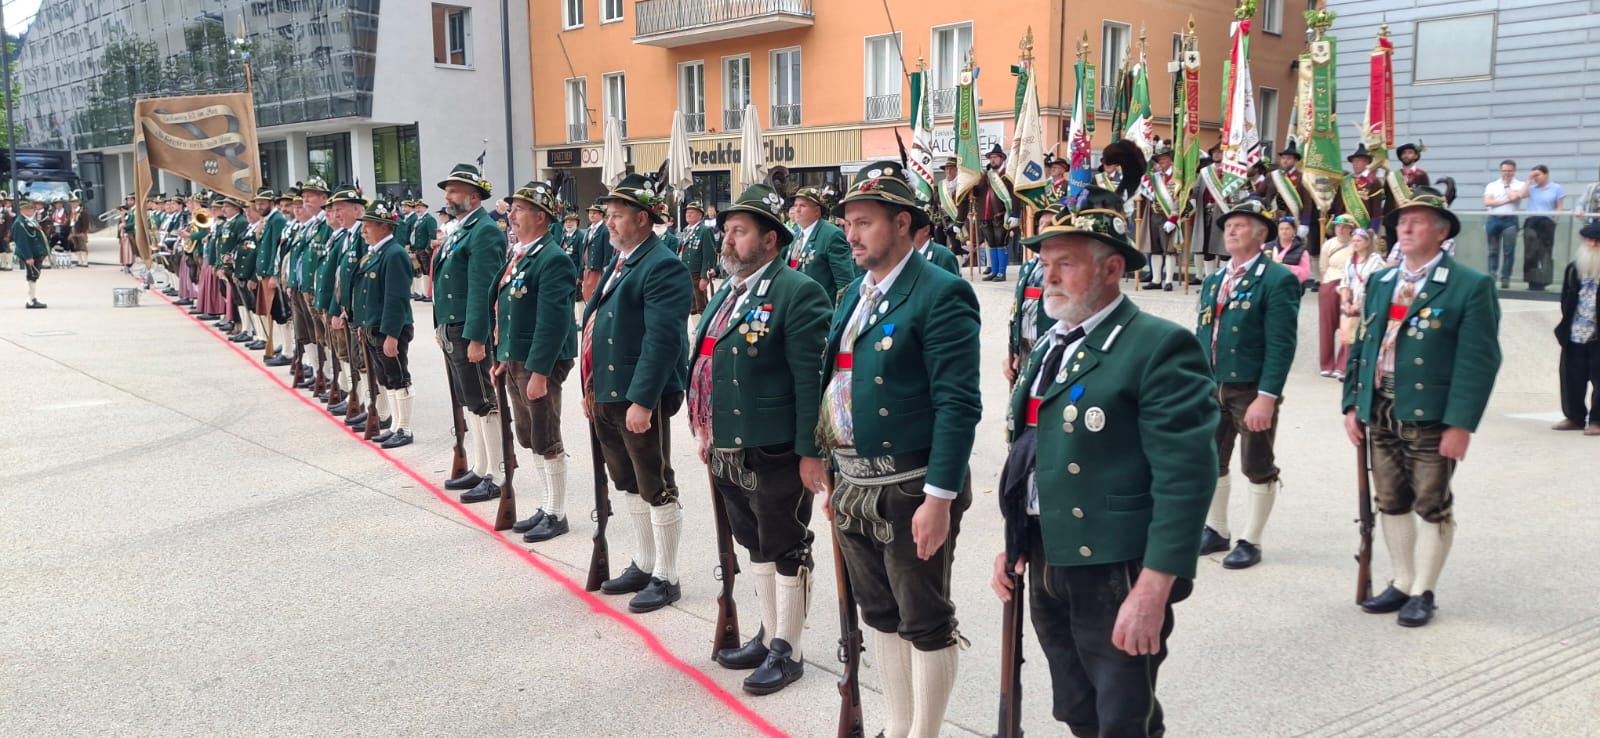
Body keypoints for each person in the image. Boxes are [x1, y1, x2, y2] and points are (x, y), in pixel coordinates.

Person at [993, 186, 1216, 737]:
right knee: (1076, 706)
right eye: (1045, 263)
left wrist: (1154, 587)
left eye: (1065, 264)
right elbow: (1031, 455)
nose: (1048, 277)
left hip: (1115, 564)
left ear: (1112, 268)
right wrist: (1014, 541)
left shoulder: (1157, 346)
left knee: (1122, 716)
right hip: (1048, 553)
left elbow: (1186, 478)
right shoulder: (1052, 344)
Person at [821, 161, 981, 738]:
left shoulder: (940, 292)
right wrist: (831, 468)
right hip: (854, 483)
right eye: (847, 224)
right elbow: (837, 382)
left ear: (902, 223)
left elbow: (958, 404)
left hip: (911, 485)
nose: (851, 235)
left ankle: (925, 733)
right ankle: (896, 724)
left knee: (924, 619)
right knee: (880, 614)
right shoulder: (852, 294)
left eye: (863, 222)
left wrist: (939, 498)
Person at [691, 183, 831, 695]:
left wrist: (810, 452)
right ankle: (768, 632)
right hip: (729, 442)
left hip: (775, 445)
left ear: (771, 239)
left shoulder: (798, 291)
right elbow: (708, 360)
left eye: (740, 231)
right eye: (727, 230)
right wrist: (706, 428)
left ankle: (788, 649)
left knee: (785, 541)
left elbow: (810, 382)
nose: (728, 239)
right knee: (752, 540)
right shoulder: (730, 291)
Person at [1344, 185, 1502, 627]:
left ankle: (1424, 591)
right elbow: (1364, 346)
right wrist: (1352, 403)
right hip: (1381, 406)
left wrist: (1461, 424)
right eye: (1401, 222)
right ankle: (1402, 580)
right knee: (1390, 499)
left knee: (1431, 503)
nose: (1405, 228)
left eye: (1416, 222)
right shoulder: (1382, 281)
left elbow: (1479, 361)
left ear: (1442, 231)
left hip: (1431, 414)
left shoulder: (1469, 285)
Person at [583, 173, 693, 614]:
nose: (608, 223)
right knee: (627, 480)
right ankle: (645, 563)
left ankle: (667, 575)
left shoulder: (661, 264)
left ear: (643, 218)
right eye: (607, 215)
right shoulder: (624, 259)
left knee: (655, 482)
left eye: (617, 215)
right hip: (610, 392)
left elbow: (662, 340)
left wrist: (643, 400)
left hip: (638, 395)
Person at [1196, 199, 1301, 569]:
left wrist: (1267, 397)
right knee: (1211, 459)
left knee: (1257, 463)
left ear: (1261, 234)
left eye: (1239, 225)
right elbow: (1203, 335)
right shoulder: (1214, 280)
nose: (1231, 231)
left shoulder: (1277, 279)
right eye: (1228, 226)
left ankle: (1251, 540)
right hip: (1213, 384)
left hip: (1251, 388)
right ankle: (1217, 529)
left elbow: (1281, 344)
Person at [494, 182, 579, 542]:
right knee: (530, 434)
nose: (511, 215)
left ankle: (556, 513)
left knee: (546, 435)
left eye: (519, 209)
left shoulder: (552, 258)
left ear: (541, 217)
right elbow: (508, 310)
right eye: (512, 209)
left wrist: (540, 372)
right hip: (518, 357)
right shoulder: (523, 254)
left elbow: (553, 321)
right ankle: (546, 506)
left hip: (539, 361)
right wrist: (503, 355)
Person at [434, 163, 508, 504]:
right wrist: (440, 324)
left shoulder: (485, 231)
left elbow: (483, 289)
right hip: (454, 327)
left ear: (474, 196)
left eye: (454, 191)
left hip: (469, 329)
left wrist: (478, 337)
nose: (447, 197)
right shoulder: (462, 228)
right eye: (447, 191)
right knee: (470, 400)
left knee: (484, 401)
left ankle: (498, 474)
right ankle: (481, 466)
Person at [352, 202, 417, 448]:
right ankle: (395, 426)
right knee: (387, 378)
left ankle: (405, 429)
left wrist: (392, 334)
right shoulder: (377, 253)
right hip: (374, 325)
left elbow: (396, 298)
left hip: (390, 327)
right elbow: (366, 293)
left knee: (399, 377)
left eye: (368, 225)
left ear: (383, 226)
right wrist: (362, 323)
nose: (363, 231)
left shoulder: (394, 253)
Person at [1002, 207, 1061, 389]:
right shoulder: (1028, 267)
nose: (1043, 228)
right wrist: (1015, 351)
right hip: (1025, 348)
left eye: (1049, 224)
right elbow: (1017, 309)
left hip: (1052, 348)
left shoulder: (1064, 270)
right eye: (1041, 224)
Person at [1554, 222, 1600, 435]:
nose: (1593, 245)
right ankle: (1574, 417)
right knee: (1571, 378)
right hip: (1575, 332)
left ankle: (1597, 421)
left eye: (1597, 242)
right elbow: (1566, 299)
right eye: (1590, 241)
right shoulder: (1574, 269)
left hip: (1597, 335)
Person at [784, 186, 855, 303]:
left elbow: (845, 282)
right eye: (795, 205)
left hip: (820, 308)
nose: (797, 210)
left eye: (802, 206)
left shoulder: (831, 235)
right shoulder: (797, 236)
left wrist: (840, 311)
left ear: (817, 211)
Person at [1339, 229, 1386, 380]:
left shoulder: (1376, 261)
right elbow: (1344, 281)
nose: (1355, 243)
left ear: (1367, 242)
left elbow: (1375, 286)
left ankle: (1363, 370)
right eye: (1353, 240)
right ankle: (1348, 369)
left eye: (1359, 240)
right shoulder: (1350, 260)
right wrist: (1345, 301)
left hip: (1367, 304)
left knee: (1363, 337)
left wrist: (1360, 304)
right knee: (1348, 337)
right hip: (1350, 302)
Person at [967, 144, 1019, 282]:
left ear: (1002, 158)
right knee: (991, 243)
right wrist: (971, 187)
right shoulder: (986, 175)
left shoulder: (1007, 175)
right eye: (991, 157)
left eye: (995, 157)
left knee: (1001, 243)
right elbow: (979, 192)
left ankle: (1001, 272)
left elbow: (1014, 195)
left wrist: (1015, 213)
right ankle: (994, 271)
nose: (993, 160)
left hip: (1001, 215)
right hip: (986, 215)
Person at [1136, 142, 1184, 290]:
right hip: (1154, 215)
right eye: (1159, 159)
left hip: (1168, 216)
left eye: (1164, 158)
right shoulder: (1154, 177)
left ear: (1170, 159)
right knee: (1155, 249)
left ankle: (1168, 281)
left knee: (1169, 250)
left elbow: (1181, 199)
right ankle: (1156, 280)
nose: (1161, 162)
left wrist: (1174, 218)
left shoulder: (1177, 177)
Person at [1318, 215, 1360, 377]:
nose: (1340, 230)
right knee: (1326, 326)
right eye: (1337, 226)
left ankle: (1342, 365)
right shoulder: (1329, 244)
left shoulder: (1356, 244)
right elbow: (1323, 266)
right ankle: (1326, 364)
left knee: (1347, 325)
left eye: (1344, 227)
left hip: (1349, 285)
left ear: (1351, 229)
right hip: (1330, 282)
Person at [1269, 141, 1321, 264]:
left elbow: (1307, 203)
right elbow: (1261, 192)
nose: (1285, 161)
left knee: (1293, 253)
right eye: (1283, 158)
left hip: (1294, 220)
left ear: (1295, 160)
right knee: (1275, 251)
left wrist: (1305, 223)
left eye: (1288, 158)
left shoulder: (1302, 178)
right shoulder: (1273, 176)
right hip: (1276, 219)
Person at [1521, 165, 1565, 292]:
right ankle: (1531, 281)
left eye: (1538, 175)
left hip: (1547, 221)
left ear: (1546, 174)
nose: (1536, 178)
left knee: (1545, 252)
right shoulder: (1531, 188)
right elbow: (1521, 195)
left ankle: (1544, 281)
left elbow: (1559, 206)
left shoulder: (1556, 188)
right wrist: (1528, 179)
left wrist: (1555, 221)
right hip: (1531, 220)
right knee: (1530, 252)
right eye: (1534, 175)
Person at [1482, 159, 1524, 289]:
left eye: (1509, 171)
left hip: (1510, 220)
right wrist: (1507, 201)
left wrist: (1506, 187)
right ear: (1501, 171)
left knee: (1509, 251)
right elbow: (1487, 202)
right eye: (1504, 170)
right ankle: (1492, 275)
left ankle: (1506, 277)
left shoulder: (1520, 184)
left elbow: (1515, 197)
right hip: (1493, 219)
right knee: (1492, 250)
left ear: (1514, 171)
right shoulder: (1492, 185)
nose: (1507, 173)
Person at [677, 201, 720, 315]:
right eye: (687, 212)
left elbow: (709, 254)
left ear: (700, 215)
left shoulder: (704, 230)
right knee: (691, 306)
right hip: (686, 270)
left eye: (692, 212)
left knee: (701, 305)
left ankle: (703, 322)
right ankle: (695, 321)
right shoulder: (686, 230)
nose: (688, 214)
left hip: (697, 272)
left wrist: (704, 277)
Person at [12, 193, 48, 308]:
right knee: (32, 275)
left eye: (33, 209)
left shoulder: (31, 220)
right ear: (23, 210)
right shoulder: (20, 223)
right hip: (30, 254)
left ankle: (32, 298)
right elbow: (22, 242)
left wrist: (44, 252)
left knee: (35, 275)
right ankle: (31, 300)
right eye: (30, 209)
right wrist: (28, 257)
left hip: (36, 252)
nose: (33, 211)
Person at [1266, 217, 1312, 289]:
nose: (1284, 231)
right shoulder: (1267, 246)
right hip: (1268, 286)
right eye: (1281, 229)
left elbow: (1305, 273)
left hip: (1290, 287)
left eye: (1287, 229)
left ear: (1294, 231)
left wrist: (1289, 268)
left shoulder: (1301, 250)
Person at [911, 209, 960, 275]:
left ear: (926, 230)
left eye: (911, 229)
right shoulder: (907, 256)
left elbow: (953, 281)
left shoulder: (943, 256)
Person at [581, 202, 612, 301]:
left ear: (601, 214)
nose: (591, 215)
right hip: (588, 268)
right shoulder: (589, 230)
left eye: (594, 213)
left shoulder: (605, 230)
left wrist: (605, 269)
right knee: (586, 295)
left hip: (598, 269)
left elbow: (608, 252)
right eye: (590, 213)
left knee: (595, 296)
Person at [410, 199, 438, 302]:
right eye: (416, 208)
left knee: (428, 271)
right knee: (422, 271)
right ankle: (424, 292)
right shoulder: (419, 220)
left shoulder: (429, 219)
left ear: (425, 208)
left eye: (419, 207)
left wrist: (428, 248)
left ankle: (430, 294)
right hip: (418, 249)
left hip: (425, 249)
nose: (417, 210)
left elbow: (432, 234)